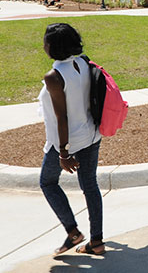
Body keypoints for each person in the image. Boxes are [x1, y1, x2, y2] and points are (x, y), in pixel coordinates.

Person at [38, 23, 105, 256]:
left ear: (53, 47)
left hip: (67, 142)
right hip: (91, 135)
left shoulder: (54, 76)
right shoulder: (83, 62)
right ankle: (96, 242)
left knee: (47, 182)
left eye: (46, 41)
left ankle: (73, 232)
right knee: (90, 187)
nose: (43, 44)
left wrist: (64, 154)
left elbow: (62, 117)